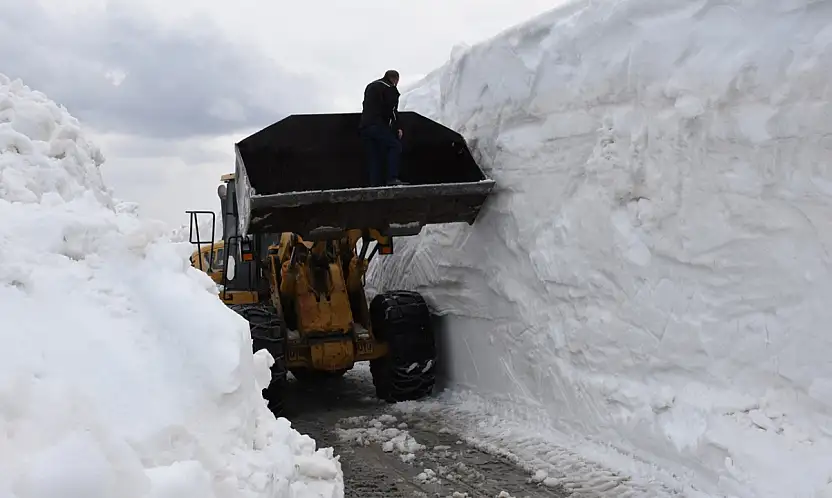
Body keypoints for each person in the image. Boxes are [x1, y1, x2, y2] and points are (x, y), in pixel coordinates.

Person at [359, 70, 407, 186]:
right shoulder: (389, 88)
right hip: (378, 125)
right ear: (395, 79)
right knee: (395, 146)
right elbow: (391, 110)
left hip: (365, 126)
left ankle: (375, 185)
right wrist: (398, 127)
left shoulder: (371, 86)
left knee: (374, 155)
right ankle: (392, 178)